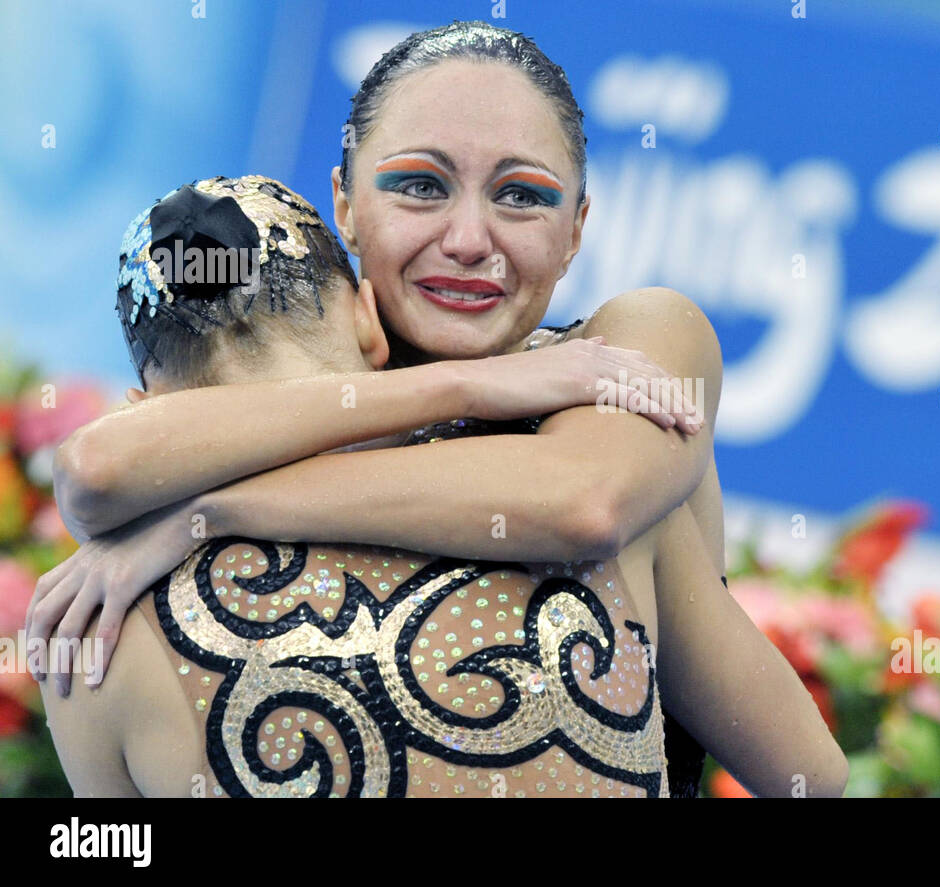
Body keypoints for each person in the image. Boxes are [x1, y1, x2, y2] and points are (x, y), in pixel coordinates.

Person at [28, 21, 845, 797]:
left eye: (523, 196)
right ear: (344, 202)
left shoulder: (628, 352)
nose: (467, 238)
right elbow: (96, 468)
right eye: (421, 184)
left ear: (577, 230)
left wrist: (211, 508)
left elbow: (583, 502)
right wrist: (461, 388)